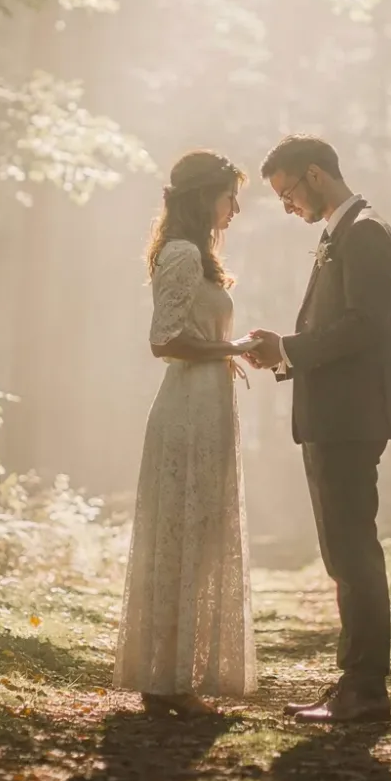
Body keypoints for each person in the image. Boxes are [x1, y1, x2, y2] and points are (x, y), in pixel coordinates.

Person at [245, 134, 391, 725]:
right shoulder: (342, 233)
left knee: (353, 551)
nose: (288, 208)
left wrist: (289, 347)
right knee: (343, 552)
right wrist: (285, 354)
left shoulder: (366, 233)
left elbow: (364, 326)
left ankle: (366, 690)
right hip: (335, 415)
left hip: (351, 418)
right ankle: (355, 683)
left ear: (314, 175)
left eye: (287, 194)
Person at [112, 150, 262, 717]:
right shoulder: (178, 255)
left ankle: (177, 676)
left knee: (200, 538)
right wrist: (235, 348)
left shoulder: (198, 257)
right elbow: (164, 340)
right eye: (230, 195)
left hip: (211, 405)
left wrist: (230, 350)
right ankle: (166, 680)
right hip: (187, 407)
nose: (236, 208)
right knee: (180, 536)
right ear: (205, 196)